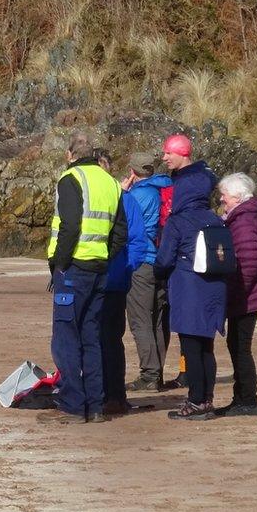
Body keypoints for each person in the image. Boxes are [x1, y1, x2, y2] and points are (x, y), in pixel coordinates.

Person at [39, 132, 128, 424]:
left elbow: (70, 226)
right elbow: (120, 234)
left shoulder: (71, 179)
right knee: (91, 338)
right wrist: (103, 256)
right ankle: (96, 405)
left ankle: (73, 405)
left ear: (69, 154)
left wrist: (59, 264)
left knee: (65, 339)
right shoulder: (111, 183)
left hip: (74, 269)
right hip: (98, 269)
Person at [154, 135, 226, 420]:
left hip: (188, 289)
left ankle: (196, 401)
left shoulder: (179, 220)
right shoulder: (214, 218)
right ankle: (206, 400)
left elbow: (164, 259)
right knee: (206, 347)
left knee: (191, 347)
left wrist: (158, 272)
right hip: (213, 289)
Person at [215, 173, 257, 416]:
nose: (222, 199)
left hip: (248, 293)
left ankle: (247, 400)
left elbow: (248, 263)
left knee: (240, 347)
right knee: (238, 345)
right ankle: (241, 397)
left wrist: (237, 292)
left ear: (238, 197)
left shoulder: (243, 220)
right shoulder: (248, 216)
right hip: (252, 291)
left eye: (225, 195)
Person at [96, 149, 149, 415]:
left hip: (114, 283)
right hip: (89, 281)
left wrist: (124, 271)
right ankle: (94, 393)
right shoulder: (82, 198)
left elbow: (139, 242)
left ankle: (114, 395)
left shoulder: (125, 200)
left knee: (110, 341)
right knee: (87, 340)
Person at [123, 153, 174, 391]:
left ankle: (150, 374)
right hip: (161, 260)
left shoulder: (137, 195)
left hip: (142, 260)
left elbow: (122, 223)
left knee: (140, 320)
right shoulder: (165, 189)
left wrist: (122, 193)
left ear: (133, 172)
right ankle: (157, 371)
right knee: (157, 320)